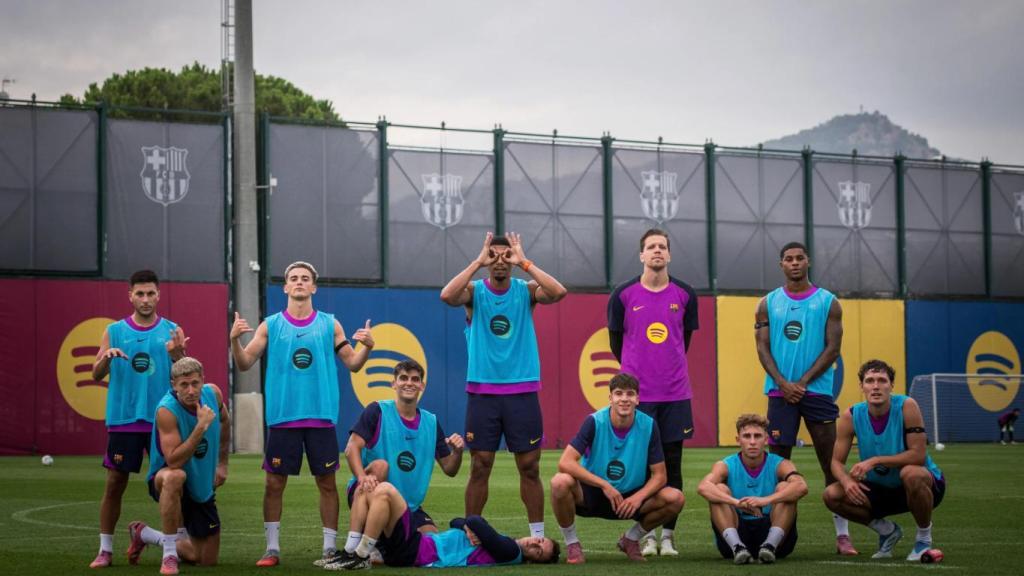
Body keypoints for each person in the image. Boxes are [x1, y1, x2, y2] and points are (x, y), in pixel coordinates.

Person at [231, 261, 375, 567]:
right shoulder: (270, 325)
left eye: (304, 279)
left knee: (326, 483)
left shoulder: (329, 324)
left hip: (320, 417)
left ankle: (327, 548)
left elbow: (353, 363)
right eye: (293, 278)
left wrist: (367, 348)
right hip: (283, 417)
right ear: (285, 287)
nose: (299, 282)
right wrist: (233, 341)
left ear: (313, 287)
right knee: (274, 484)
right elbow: (244, 363)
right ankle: (272, 549)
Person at [440, 232, 567, 539]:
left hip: (521, 393)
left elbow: (559, 292)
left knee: (530, 467)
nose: (499, 262)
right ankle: (471, 534)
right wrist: (477, 261)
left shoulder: (525, 291)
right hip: (484, 394)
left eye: (505, 256)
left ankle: (537, 535)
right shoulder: (475, 293)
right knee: (480, 465)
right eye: (493, 256)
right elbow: (447, 295)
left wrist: (524, 261)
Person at [754, 241, 856, 555]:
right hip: (779, 393)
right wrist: (784, 383)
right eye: (789, 259)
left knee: (831, 463)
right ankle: (779, 534)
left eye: (800, 258)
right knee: (779, 466)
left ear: (808, 261)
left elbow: (833, 349)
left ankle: (842, 536)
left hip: (818, 393)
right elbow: (762, 348)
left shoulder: (829, 302)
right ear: (781, 264)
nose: (795, 263)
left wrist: (802, 382)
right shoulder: (767, 303)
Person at [607, 228, 698, 556]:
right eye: (651, 247)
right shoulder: (622, 294)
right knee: (645, 468)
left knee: (673, 464)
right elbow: (616, 341)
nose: (657, 251)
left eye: (662, 247)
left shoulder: (686, 294)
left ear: (669, 255)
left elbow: (683, 341)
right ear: (642, 255)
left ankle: (668, 537)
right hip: (639, 399)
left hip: (675, 395)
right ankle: (645, 536)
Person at [90, 269, 189, 568]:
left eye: (150, 294)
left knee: (174, 483)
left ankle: (174, 550)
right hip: (125, 419)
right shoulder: (115, 331)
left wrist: (178, 354)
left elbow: (186, 377)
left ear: (158, 295)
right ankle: (105, 550)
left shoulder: (172, 330)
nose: (145, 299)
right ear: (130, 295)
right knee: (115, 482)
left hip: (164, 420)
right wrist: (106, 358)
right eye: (140, 294)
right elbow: (95, 373)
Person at [326, 359, 464, 567]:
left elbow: (450, 469)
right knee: (381, 466)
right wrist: (362, 478)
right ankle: (356, 547)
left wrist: (458, 452)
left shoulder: (431, 422)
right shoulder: (377, 411)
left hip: (409, 506)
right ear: (394, 383)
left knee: (429, 543)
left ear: (422, 386)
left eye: (415, 379)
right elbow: (351, 448)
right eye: (403, 378)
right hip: (367, 492)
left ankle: (381, 549)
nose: (409, 383)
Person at [549, 373, 685, 564]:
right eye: (619, 394)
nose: (624, 399)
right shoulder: (594, 421)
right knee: (559, 482)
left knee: (675, 498)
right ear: (610, 398)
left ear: (637, 399)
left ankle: (630, 540)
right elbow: (565, 462)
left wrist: (638, 498)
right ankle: (572, 544)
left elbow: (660, 475)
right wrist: (604, 485)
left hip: (630, 498)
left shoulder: (648, 425)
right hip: (593, 494)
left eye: (630, 394)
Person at [824, 359, 946, 562]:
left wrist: (874, 461)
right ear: (861, 386)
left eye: (882, 380)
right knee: (832, 494)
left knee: (911, 473)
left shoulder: (907, 405)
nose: (876, 386)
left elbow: (918, 455)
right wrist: (847, 482)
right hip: (880, 489)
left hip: (922, 485)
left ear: (891, 385)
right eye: (870, 380)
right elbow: (836, 462)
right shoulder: (851, 415)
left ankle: (923, 539)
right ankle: (887, 531)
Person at [124, 357, 230, 575]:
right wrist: (201, 426)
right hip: (167, 478)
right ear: (174, 385)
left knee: (205, 559)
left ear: (203, 380)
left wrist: (222, 464)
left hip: (201, 483)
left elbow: (225, 421)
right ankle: (170, 554)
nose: (191, 390)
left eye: (195, 383)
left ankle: (145, 534)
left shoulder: (214, 394)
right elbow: (173, 460)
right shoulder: (166, 410)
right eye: (184, 385)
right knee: (175, 476)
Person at [325, 482, 559, 570]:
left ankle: (359, 555)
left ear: (532, 560)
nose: (535, 544)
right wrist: (468, 527)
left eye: (539, 552)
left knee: (385, 491)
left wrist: (471, 525)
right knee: (368, 492)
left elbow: (474, 519)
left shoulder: (510, 550)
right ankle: (351, 552)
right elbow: (457, 521)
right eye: (541, 541)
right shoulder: (500, 543)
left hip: (416, 550)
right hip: (413, 549)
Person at [697, 414, 808, 564]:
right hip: (737, 532)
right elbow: (703, 487)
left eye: (757, 436)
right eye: (747, 436)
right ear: (738, 440)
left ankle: (769, 546)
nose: (752, 442)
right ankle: (738, 548)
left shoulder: (781, 463)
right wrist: (736, 503)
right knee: (719, 490)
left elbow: (801, 486)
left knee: (785, 487)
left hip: (775, 534)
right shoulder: (726, 465)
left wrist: (765, 500)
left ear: (766, 439)